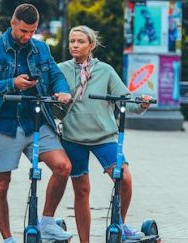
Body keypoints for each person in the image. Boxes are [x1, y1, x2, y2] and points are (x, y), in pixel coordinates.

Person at [0, 4, 72, 243]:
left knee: (63, 167)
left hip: (36, 122)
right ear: (13, 23)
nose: (28, 36)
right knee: (0, 184)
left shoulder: (41, 48)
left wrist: (62, 91)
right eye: (24, 31)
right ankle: (8, 239)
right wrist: (11, 83)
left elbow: (56, 75)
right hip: (3, 124)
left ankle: (47, 222)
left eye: (32, 31)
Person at [58, 25, 154, 243]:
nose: (75, 45)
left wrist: (142, 104)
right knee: (81, 191)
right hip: (73, 138)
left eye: (80, 41)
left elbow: (125, 99)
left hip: (104, 137)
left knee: (125, 179)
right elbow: (49, 94)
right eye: (72, 41)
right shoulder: (60, 69)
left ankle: (120, 223)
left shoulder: (105, 70)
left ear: (91, 45)